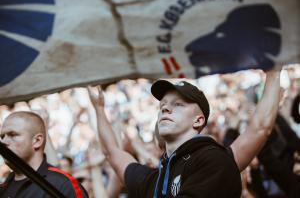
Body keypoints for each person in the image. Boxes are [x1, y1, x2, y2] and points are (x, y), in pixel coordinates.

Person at [88, 69, 281, 198]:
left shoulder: (213, 160)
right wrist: (98, 107)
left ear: (198, 120)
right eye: (162, 106)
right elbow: (112, 152)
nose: (165, 109)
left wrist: (273, 73)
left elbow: (260, 128)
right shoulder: (154, 180)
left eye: (177, 105)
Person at [0, 111, 88, 198]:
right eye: (2, 136)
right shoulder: (4, 186)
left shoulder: (61, 185)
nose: (3, 142)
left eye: (13, 134)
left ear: (37, 141)